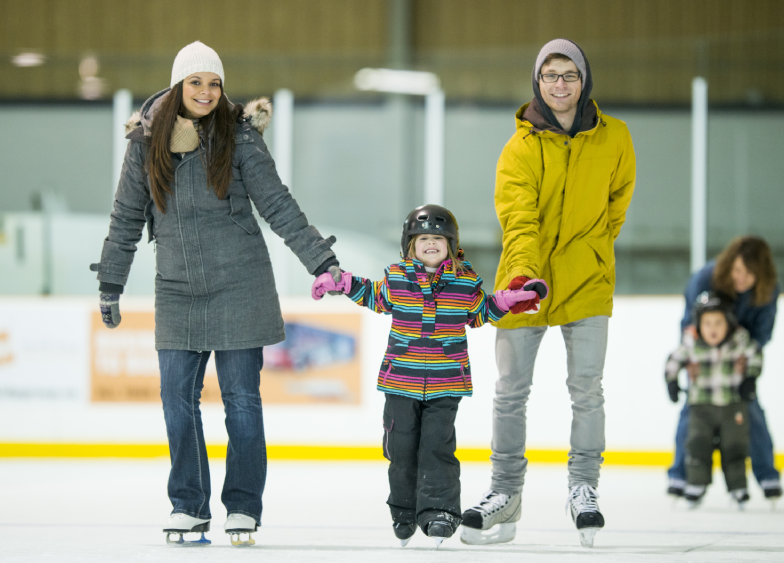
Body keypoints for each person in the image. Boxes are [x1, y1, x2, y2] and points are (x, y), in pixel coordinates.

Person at [90, 41, 342, 547]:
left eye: (214, 83)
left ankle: (243, 507)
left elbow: (278, 204)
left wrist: (321, 259)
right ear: (178, 86)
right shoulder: (144, 144)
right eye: (196, 82)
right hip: (178, 289)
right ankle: (188, 504)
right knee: (175, 400)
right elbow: (125, 220)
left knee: (242, 402)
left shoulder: (240, 137)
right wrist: (111, 283)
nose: (206, 92)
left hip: (240, 283)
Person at [460, 38, 636, 549]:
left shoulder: (616, 138)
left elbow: (615, 207)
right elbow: (518, 221)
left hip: (588, 282)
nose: (560, 85)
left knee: (587, 391)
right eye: (550, 76)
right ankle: (505, 493)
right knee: (510, 393)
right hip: (524, 286)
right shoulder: (519, 149)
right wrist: (523, 279)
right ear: (537, 82)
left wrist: (594, 254)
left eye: (569, 75)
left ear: (584, 81)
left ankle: (584, 488)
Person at [311, 204, 546, 548]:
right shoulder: (396, 278)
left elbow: (482, 311)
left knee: (437, 448)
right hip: (400, 383)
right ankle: (404, 510)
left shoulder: (465, 283)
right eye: (423, 239)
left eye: (438, 238)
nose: (431, 243)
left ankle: (440, 512)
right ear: (410, 245)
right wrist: (342, 282)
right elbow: (372, 295)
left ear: (451, 244)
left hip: (446, 383)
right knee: (401, 449)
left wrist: (511, 299)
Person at [667, 236, 781, 500]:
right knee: (693, 413)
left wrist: (747, 366)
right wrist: (690, 359)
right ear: (730, 264)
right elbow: (689, 324)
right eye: (739, 270)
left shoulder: (768, 290)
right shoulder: (705, 278)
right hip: (704, 360)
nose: (742, 279)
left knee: (750, 410)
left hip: (736, 360)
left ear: (762, 276)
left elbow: (762, 333)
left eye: (751, 275)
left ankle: (767, 476)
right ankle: (679, 475)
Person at [665, 292, 762, 509]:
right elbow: (673, 360)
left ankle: (738, 488)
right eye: (707, 323)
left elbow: (756, 353)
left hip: (733, 405)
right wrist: (671, 382)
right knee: (697, 443)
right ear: (699, 325)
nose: (713, 328)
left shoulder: (739, 341)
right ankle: (696, 486)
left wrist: (750, 377)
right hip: (701, 406)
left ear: (728, 322)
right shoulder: (692, 343)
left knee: (735, 446)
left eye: (718, 322)